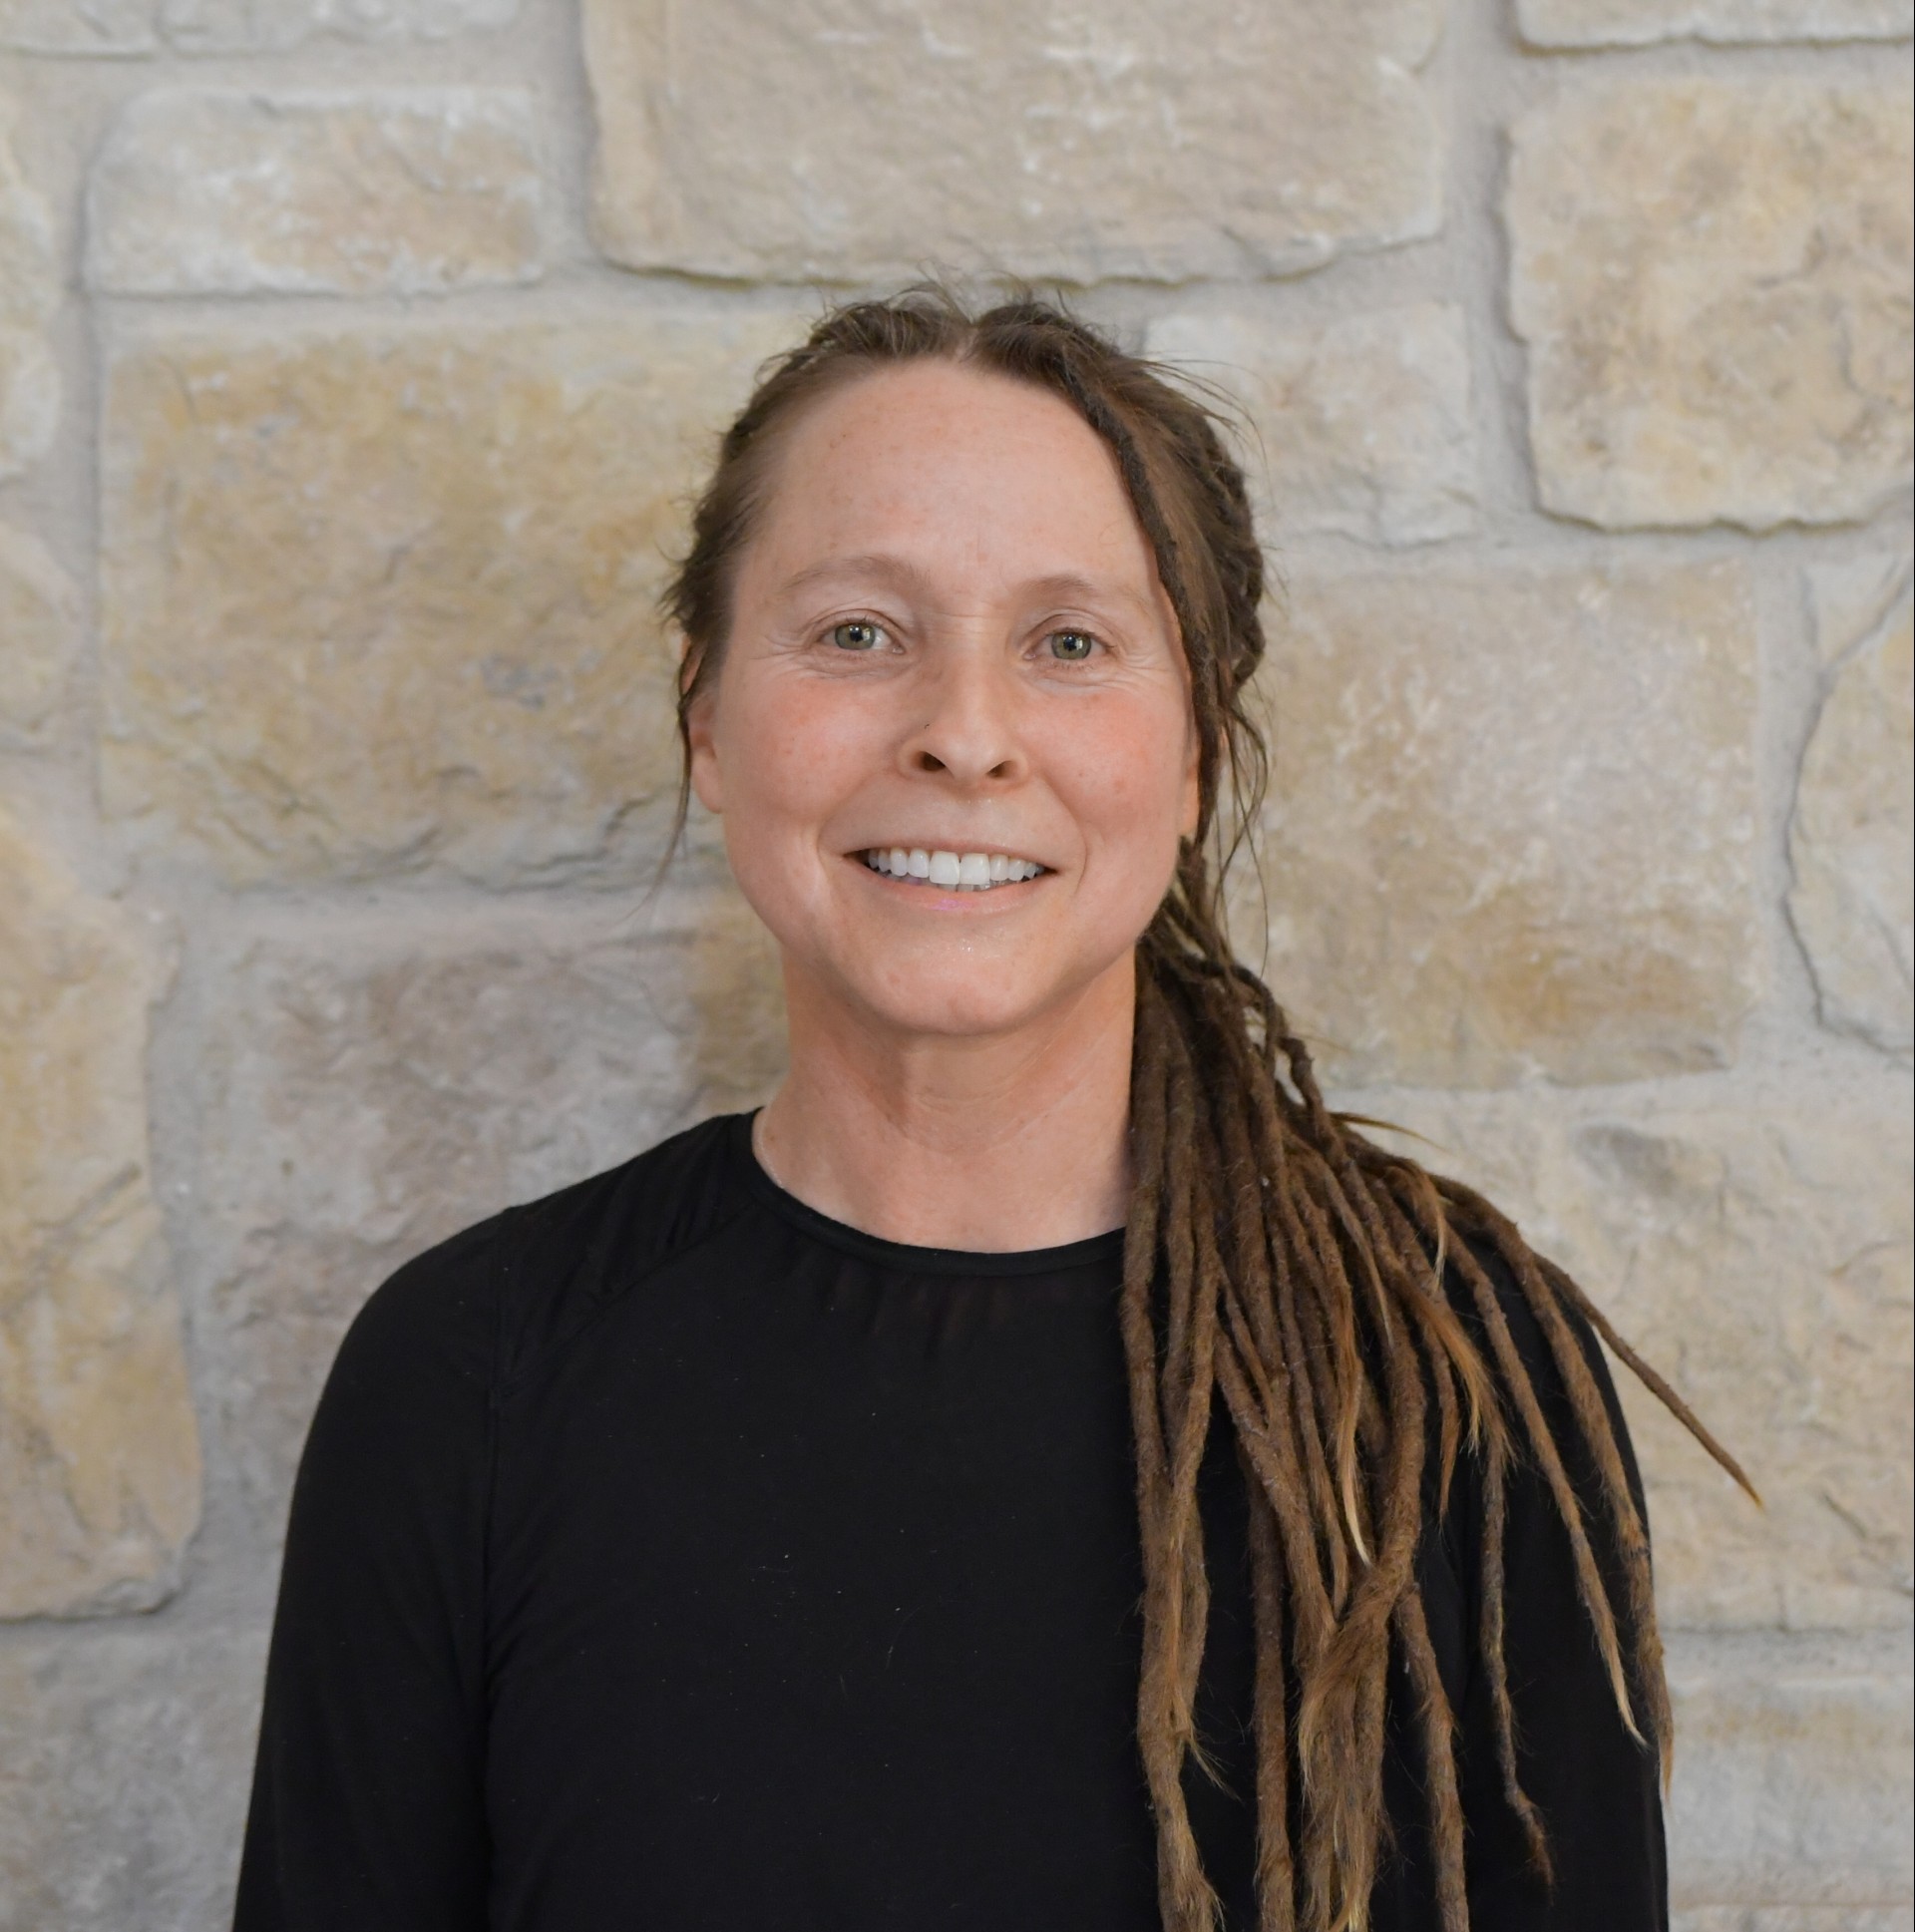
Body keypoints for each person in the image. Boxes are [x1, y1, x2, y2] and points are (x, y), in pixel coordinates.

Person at [232, 289, 1751, 1932]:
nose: (964, 732)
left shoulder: (1452, 1371)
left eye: (1070, 644)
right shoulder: (471, 1379)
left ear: (1189, 756)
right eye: (859, 633)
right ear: (707, 721)